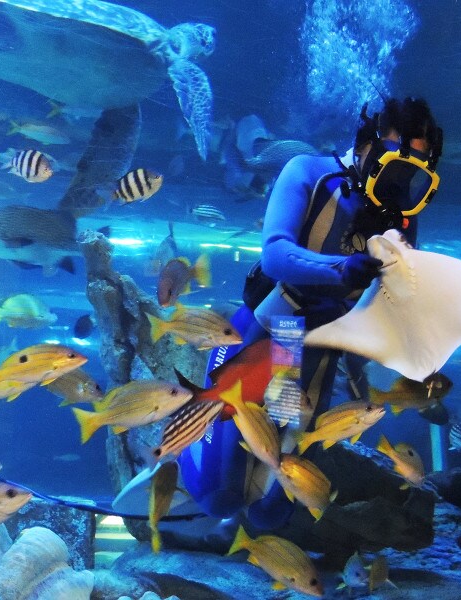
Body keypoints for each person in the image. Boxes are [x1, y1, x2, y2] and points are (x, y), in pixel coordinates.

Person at [178, 96, 444, 530]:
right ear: (367, 147)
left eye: (413, 175)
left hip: (324, 352)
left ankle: (253, 537)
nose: (399, 185)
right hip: (272, 330)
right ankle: (183, 466)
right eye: (395, 167)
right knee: (218, 492)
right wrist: (340, 269)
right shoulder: (308, 172)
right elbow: (275, 254)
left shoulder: (401, 217)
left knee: (278, 502)